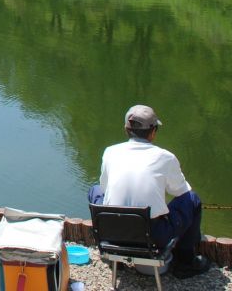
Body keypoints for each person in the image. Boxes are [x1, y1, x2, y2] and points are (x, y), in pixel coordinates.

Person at [89, 105, 211, 279]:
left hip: (113, 234)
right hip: (153, 237)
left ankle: (111, 253)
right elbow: (182, 192)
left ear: (126, 129)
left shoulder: (110, 152)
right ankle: (186, 261)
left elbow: (104, 187)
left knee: (94, 191)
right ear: (153, 132)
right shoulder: (165, 157)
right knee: (192, 200)